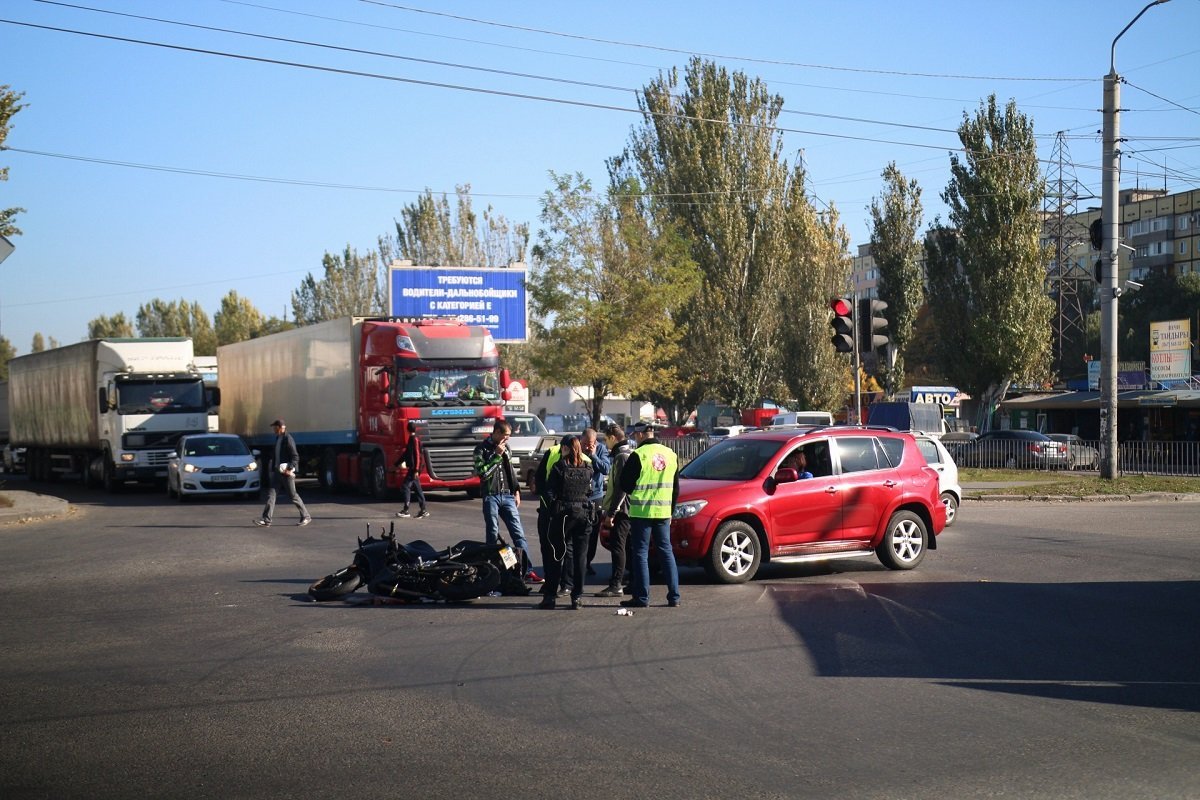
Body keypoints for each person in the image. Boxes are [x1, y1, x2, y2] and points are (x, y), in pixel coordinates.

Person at [610, 422, 681, 608]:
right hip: (664, 512)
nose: (634, 437)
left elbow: (624, 484)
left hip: (642, 512)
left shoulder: (639, 455)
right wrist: (671, 510)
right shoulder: (671, 455)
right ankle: (674, 597)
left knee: (640, 554)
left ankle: (642, 597)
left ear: (641, 435)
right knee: (666, 552)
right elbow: (676, 489)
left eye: (635, 435)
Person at [473, 419, 537, 583]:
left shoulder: (506, 447)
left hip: (508, 495)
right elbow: (482, 474)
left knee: (518, 533)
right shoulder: (481, 449)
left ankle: (527, 570)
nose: (507, 439)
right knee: (492, 534)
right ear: (497, 433)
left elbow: (510, 471)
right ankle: (493, 572)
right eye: (506, 436)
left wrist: (517, 490)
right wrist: (496, 456)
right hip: (491, 495)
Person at [537, 436, 594, 610]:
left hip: (563, 516)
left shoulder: (560, 467)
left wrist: (552, 509)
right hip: (584, 515)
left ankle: (550, 598)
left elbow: (549, 492)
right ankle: (577, 597)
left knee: (555, 556)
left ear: (565, 448)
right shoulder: (588, 467)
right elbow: (590, 491)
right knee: (580, 558)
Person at [596, 423, 633, 597]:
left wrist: (611, 512)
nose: (605, 444)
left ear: (612, 438)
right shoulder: (626, 453)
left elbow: (621, 487)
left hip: (622, 510)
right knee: (628, 547)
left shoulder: (621, 457)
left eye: (605, 439)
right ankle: (632, 581)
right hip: (629, 508)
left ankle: (616, 583)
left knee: (619, 547)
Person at [254, 419, 311, 527]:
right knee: (271, 495)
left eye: (274, 427)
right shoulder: (278, 438)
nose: (273, 430)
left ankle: (306, 516)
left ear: (280, 427)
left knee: (293, 495)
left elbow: (295, 457)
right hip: (277, 472)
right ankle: (266, 520)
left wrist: (289, 468)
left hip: (286, 473)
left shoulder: (287, 439)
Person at [580, 427, 611, 577]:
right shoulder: (576, 447)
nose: (587, 447)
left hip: (595, 496)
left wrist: (593, 456)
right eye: (585, 443)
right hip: (579, 496)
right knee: (578, 532)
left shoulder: (601, 449)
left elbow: (606, 468)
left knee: (592, 533)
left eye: (590, 444)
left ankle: (587, 562)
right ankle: (578, 562)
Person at [395, 420, 429, 518]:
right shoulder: (412, 439)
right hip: (414, 468)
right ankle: (423, 510)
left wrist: (416, 470)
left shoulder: (414, 440)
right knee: (418, 489)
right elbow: (406, 454)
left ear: (407, 430)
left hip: (414, 469)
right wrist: (397, 463)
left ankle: (406, 510)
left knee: (405, 487)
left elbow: (417, 455)